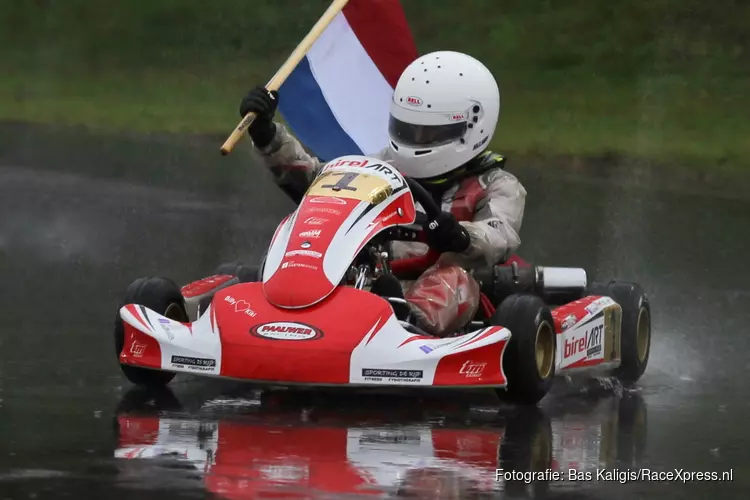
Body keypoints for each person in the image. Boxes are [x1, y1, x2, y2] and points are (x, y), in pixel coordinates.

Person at [240, 51, 527, 337]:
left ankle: (404, 325)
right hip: (372, 281)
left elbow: (499, 235)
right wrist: (267, 136)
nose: (415, 140)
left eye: (427, 134)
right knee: (304, 252)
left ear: (470, 128)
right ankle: (274, 310)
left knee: (453, 278)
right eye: (409, 129)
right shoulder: (380, 169)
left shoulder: (497, 185)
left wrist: (462, 236)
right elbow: (319, 182)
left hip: (445, 299)